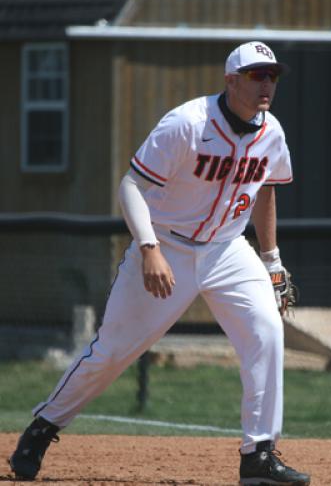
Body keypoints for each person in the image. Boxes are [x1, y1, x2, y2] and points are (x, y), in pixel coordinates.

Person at [9, 41, 310, 486]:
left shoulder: (272, 133)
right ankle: (42, 428)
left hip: (228, 248)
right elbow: (131, 185)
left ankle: (258, 455)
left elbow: (267, 190)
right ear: (231, 81)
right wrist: (148, 247)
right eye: (256, 75)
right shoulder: (188, 123)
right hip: (167, 243)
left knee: (266, 332)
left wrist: (272, 261)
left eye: (272, 76)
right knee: (111, 352)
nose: (267, 84)